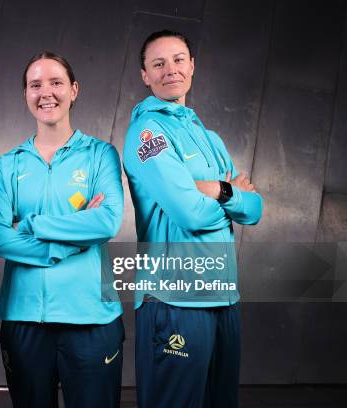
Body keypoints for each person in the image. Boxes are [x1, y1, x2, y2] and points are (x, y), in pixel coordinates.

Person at [123, 30, 263, 408]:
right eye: (159, 63)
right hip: (173, 302)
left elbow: (255, 209)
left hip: (223, 299)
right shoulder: (147, 132)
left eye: (179, 59)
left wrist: (217, 189)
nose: (171, 70)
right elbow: (188, 212)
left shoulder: (210, 138)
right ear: (145, 75)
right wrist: (228, 193)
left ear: (192, 66)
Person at [0, 52, 125, 408]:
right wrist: (64, 246)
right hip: (24, 318)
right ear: (26, 95)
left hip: (92, 317)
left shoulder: (100, 154)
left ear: (74, 90)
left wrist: (31, 225)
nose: (46, 93)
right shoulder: (7, 164)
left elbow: (106, 221)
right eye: (35, 85)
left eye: (56, 82)